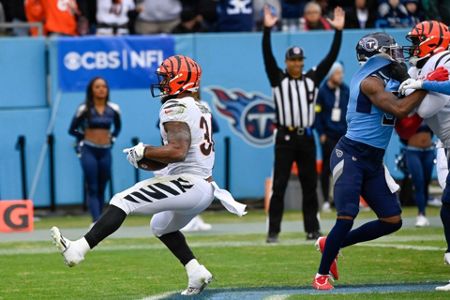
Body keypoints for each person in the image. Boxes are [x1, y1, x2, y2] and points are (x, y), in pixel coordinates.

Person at [51, 55, 246, 296]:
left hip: (190, 183)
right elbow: (178, 154)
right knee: (161, 225)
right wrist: (146, 159)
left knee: (122, 200)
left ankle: (78, 249)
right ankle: (196, 271)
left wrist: (145, 150)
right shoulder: (199, 106)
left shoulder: (176, 106)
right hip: (201, 185)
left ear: (180, 79)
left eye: (165, 78)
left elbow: (177, 151)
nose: (162, 83)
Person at [312, 32, 428, 290]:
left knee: (392, 221)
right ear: (377, 53)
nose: (397, 52)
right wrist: (426, 84)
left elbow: (411, 102)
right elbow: (400, 109)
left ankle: (331, 243)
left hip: (374, 160)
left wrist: (417, 80)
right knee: (347, 215)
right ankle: (321, 275)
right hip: (351, 154)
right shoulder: (370, 81)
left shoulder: (388, 74)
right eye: (391, 49)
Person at [262, 4, 345, 243]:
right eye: (293, 60)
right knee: (279, 186)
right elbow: (267, 56)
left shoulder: (312, 78)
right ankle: (273, 232)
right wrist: (267, 30)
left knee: (311, 186)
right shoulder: (277, 78)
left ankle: (312, 229)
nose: (297, 64)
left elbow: (330, 59)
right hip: (285, 138)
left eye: (300, 60)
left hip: (306, 137)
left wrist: (338, 32)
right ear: (287, 62)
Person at [397, 20, 450, 291]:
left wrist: (421, 83)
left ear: (432, 41)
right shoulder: (422, 64)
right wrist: (421, 82)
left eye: (417, 40)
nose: (413, 47)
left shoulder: (445, 57)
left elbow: (426, 109)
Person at [68, 77, 121, 224]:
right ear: (91, 90)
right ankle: (96, 221)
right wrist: (84, 136)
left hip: (105, 151)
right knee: (92, 185)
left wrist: (113, 138)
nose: (101, 89)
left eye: (104, 86)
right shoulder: (84, 108)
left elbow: (117, 127)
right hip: (89, 149)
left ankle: (100, 218)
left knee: (102, 186)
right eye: (97, 87)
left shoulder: (114, 109)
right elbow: (72, 129)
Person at [315, 62, 350, 213]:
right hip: (328, 135)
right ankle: (325, 201)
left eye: (341, 72)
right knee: (326, 169)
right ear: (331, 74)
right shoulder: (322, 91)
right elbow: (317, 114)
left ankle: (340, 200)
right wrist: (321, 133)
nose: (340, 76)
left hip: (342, 135)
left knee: (343, 168)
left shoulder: (345, 90)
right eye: (337, 73)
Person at [399, 123, 435, 227]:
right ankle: (421, 214)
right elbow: (402, 131)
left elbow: (433, 129)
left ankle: (424, 212)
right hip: (413, 151)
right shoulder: (410, 113)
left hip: (428, 150)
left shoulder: (428, 110)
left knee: (426, 182)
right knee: (418, 182)